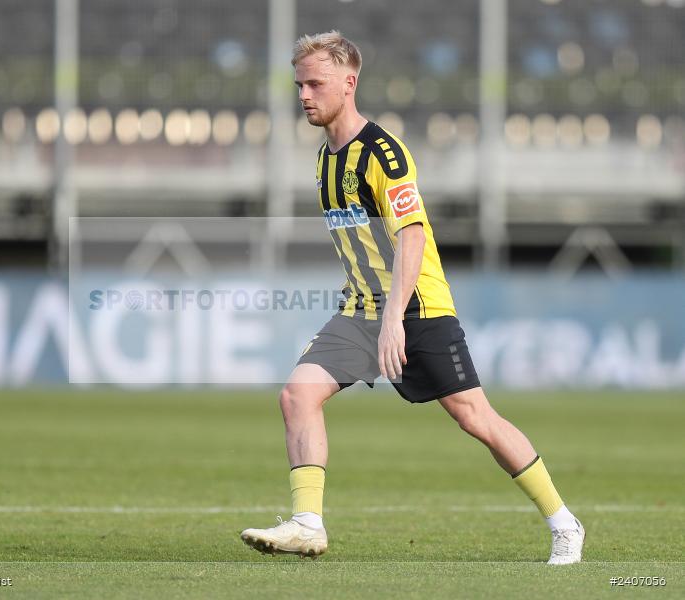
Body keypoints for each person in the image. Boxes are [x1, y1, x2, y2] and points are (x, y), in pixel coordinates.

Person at [240, 31, 585, 565]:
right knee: (296, 395)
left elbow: (413, 234)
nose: (304, 94)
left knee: (474, 416)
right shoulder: (325, 159)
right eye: (300, 84)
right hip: (360, 310)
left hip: (417, 307)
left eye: (316, 84)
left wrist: (395, 319)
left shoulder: (383, 153)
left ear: (349, 83)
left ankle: (564, 523)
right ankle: (308, 523)